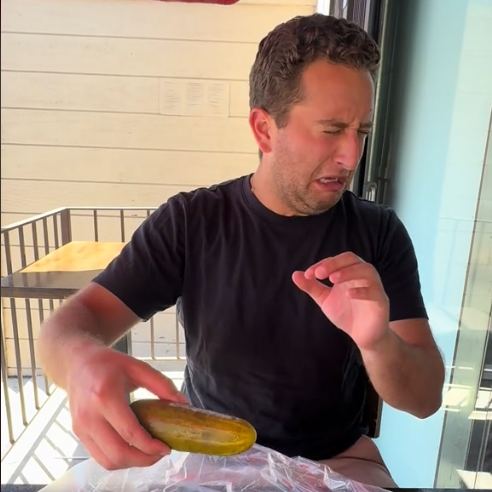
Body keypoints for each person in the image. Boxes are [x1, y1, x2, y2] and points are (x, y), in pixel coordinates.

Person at [37, 13, 445, 488]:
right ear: (264, 129)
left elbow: (425, 398)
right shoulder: (191, 222)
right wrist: (80, 359)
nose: (351, 156)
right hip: (208, 456)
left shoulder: (379, 233)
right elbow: (65, 328)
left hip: (338, 460)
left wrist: (377, 343)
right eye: (332, 130)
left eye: (362, 132)